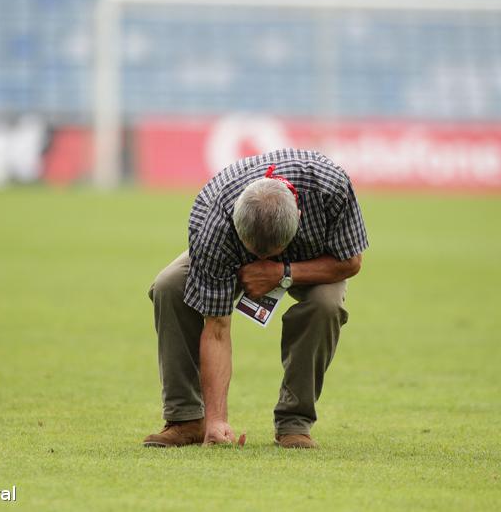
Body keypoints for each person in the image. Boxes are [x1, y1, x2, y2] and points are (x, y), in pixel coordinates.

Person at [143, 149, 368, 449]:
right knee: (169, 286)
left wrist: (282, 272)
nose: (263, 260)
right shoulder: (213, 220)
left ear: (299, 218)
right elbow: (217, 328)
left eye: (270, 253)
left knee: (325, 305)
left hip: (314, 260)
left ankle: (294, 423)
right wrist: (218, 420)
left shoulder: (331, 187)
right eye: (255, 252)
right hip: (231, 252)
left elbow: (351, 262)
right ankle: (186, 419)